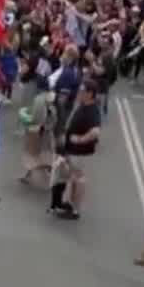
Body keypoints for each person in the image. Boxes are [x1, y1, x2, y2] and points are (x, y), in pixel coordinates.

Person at [50, 79, 103, 220]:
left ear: (90, 94)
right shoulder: (83, 105)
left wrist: (80, 139)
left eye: (82, 91)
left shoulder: (92, 110)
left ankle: (75, 210)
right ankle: (70, 203)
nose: (79, 93)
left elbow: (96, 131)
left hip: (81, 152)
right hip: (73, 151)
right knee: (73, 178)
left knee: (79, 179)